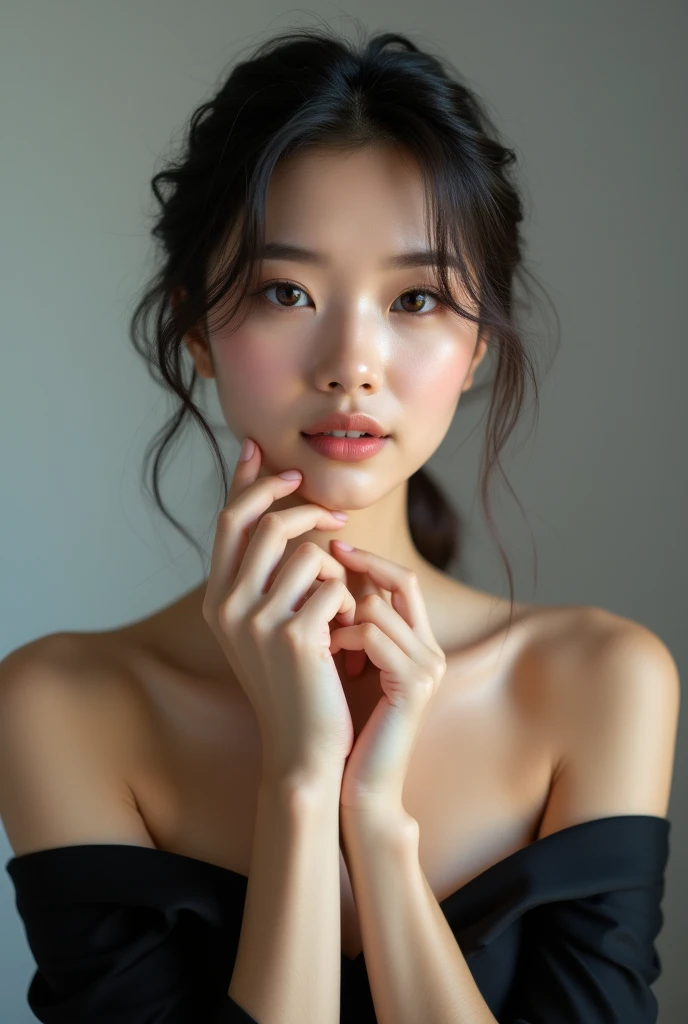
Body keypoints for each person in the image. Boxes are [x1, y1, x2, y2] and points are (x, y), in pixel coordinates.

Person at [0, 24, 679, 1024]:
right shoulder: (60, 706)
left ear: (479, 342)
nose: (351, 360)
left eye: (415, 297)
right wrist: (300, 778)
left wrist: (376, 826)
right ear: (196, 328)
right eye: (286, 291)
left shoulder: (599, 680)